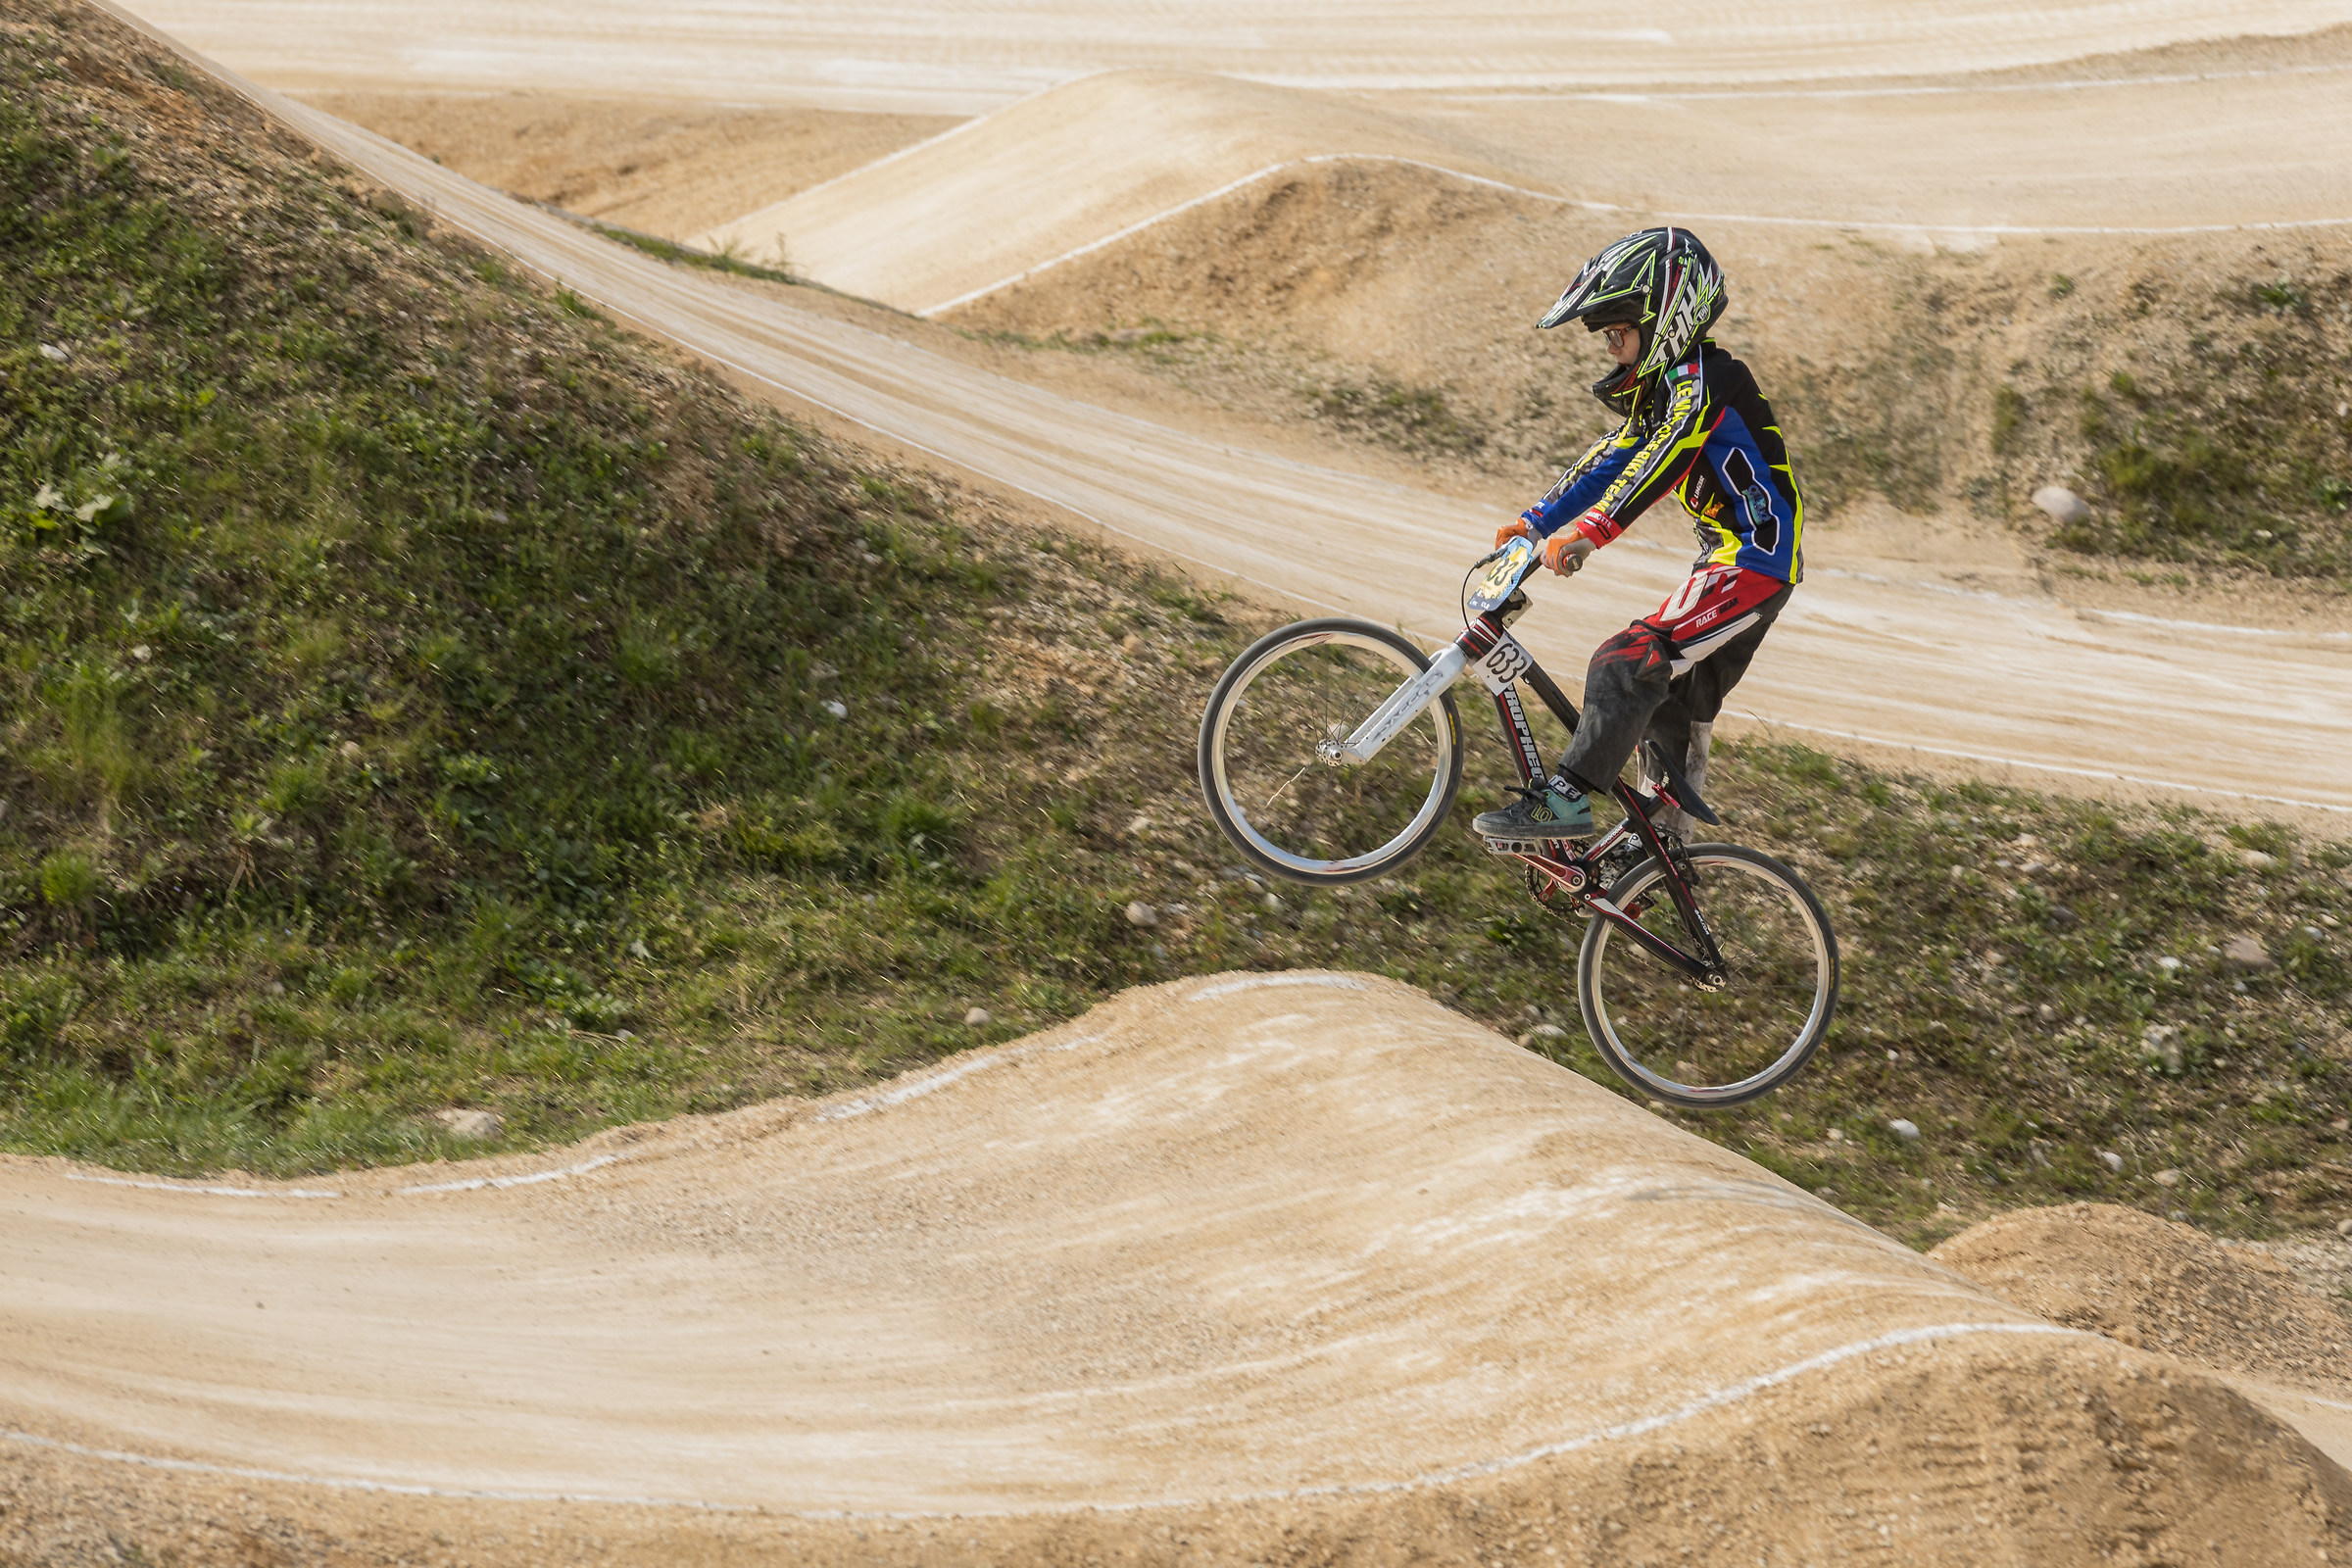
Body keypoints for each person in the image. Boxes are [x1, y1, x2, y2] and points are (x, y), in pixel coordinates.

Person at [1470, 225, 1803, 846]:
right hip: (1736, 560)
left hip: (1754, 560)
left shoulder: (1706, 381)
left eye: (1617, 333)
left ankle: (1566, 799)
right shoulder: (1666, 391)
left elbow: (1664, 459)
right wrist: (1536, 520)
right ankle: (1658, 849)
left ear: (1664, 321)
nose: (1610, 349)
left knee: (1626, 661)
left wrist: (1588, 534)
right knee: (1673, 706)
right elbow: (1611, 459)